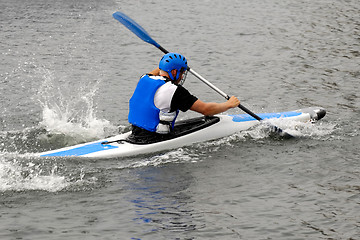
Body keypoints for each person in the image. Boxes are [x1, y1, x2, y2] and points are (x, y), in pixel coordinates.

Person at [127, 52, 240, 143]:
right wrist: (229, 104)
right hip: (155, 138)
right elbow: (207, 110)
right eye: (181, 73)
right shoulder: (175, 91)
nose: (181, 78)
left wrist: (170, 62)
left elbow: (159, 70)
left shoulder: (144, 78)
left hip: (136, 132)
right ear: (175, 71)